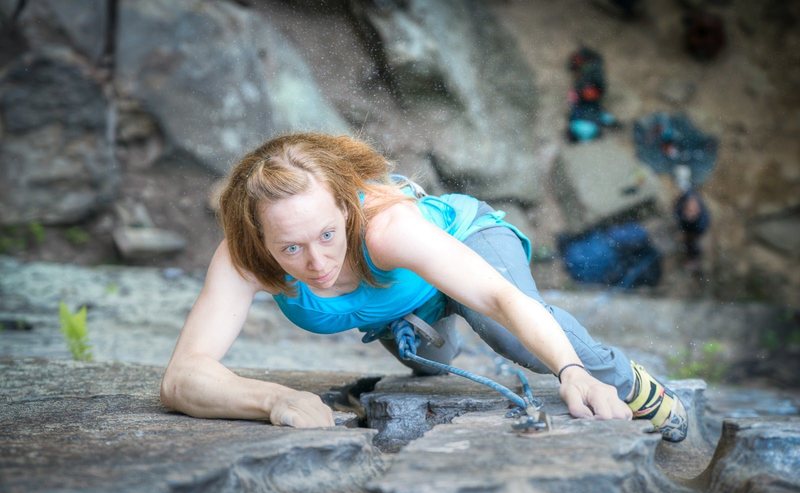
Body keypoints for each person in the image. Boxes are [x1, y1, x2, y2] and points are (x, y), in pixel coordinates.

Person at [160, 132, 688, 442]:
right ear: (258, 239)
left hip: (468, 242)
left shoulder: (387, 228)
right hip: (401, 309)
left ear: (344, 209)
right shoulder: (243, 257)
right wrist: (276, 399)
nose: (318, 263)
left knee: (508, 335)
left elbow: (501, 298)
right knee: (433, 365)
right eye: (291, 249)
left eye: (326, 234)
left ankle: (630, 383)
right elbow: (183, 376)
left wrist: (572, 371)